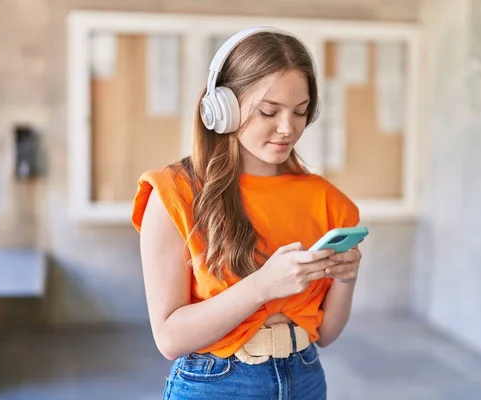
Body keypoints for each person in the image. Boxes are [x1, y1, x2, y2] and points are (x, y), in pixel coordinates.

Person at [132, 26, 362, 400]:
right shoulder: (174, 193)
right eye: (269, 112)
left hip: (304, 376)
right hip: (216, 383)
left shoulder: (328, 200)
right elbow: (169, 338)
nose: (287, 128)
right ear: (222, 109)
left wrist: (346, 279)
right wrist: (263, 286)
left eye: (300, 112)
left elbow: (328, 334)